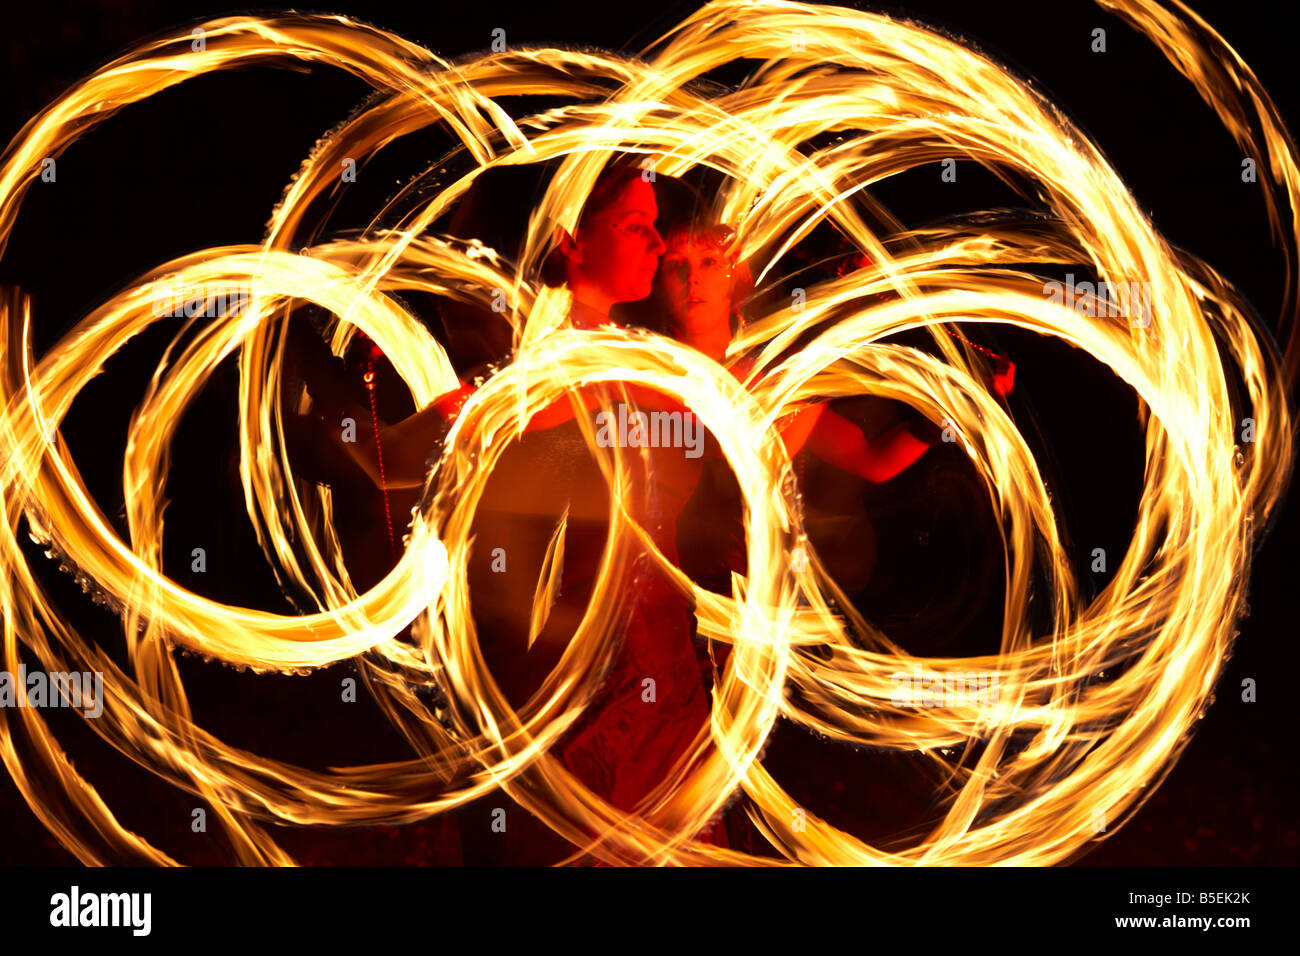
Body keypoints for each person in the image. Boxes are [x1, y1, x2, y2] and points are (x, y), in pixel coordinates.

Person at [281, 161, 734, 863]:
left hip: (664, 687)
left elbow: (712, 390)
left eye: (656, 230)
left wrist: (707, 275)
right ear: (571, 241)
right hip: (586, 699)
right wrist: (296, 341)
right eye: (634, 226)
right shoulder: (549, 375)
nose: (654, 244)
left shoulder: (636, 361)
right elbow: (384, 460)